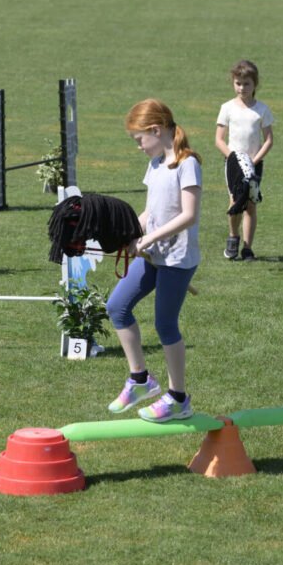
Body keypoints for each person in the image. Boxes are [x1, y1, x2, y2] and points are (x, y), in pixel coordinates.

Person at [105, 99, 202, 423]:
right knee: (117, 306)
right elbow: (151, 212)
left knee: (165, 324)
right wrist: (133, 232)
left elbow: (189, 215)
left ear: (156, 130)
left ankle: (178, 398)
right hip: (154, 254)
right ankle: (140, 379)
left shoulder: (187, 164)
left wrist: (150, 238)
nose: (138, 147)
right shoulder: (157, 164)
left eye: (139, 140)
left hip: (177, 259)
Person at [215, 60, 274, 261]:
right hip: (233, 165)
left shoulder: (262, 110)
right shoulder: (227, 108)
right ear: (233, 83)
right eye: (238, 83)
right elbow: (219, 139)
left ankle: (248, 248)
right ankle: (233, 237)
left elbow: (268, 140)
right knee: (235, 201)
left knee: (250, 204)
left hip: (255, 164)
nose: (242, 88)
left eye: (246, 83)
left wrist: (253, 161)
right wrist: (234, 159)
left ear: (255, 84)